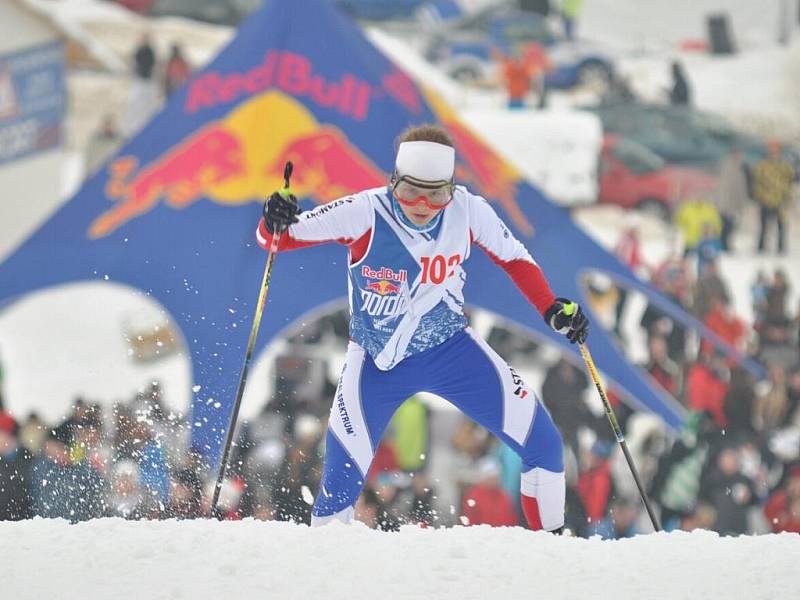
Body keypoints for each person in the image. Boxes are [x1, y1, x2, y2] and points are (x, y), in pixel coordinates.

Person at [257, 124, 590, 533]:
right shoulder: (366, 211)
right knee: (339, 486)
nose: (422, 204)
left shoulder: (468, 210)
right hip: (377, 363)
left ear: (451, 187)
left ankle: (551, 554)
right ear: (394, 181)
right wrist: (275, 217)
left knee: (545, 443)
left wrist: (550, 307)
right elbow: (279, 239)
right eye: (411, 190)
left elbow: (514, 257)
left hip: (450, 352)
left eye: (437, 193)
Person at [752, 140, 795, 254]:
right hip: (766, 200)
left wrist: (788, 198)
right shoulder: (762, 165)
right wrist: (760, 196)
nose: (774, 153)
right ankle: (761, 248)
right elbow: (757, 182)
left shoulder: (785, 166)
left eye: (776, 150)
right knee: (764, 226)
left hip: (781, 201)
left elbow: (790, 182)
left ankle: (781, 248)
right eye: (772, 150)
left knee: (781, 226)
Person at [714, 149, 749, 251]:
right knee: (726, 226)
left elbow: (741, 188)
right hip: (727, 204)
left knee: (730, 226)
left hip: (732, 204)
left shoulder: (739, 168)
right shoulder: (729, 168)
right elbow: (727, 189)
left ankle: (725, 244)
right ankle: (723, 245)